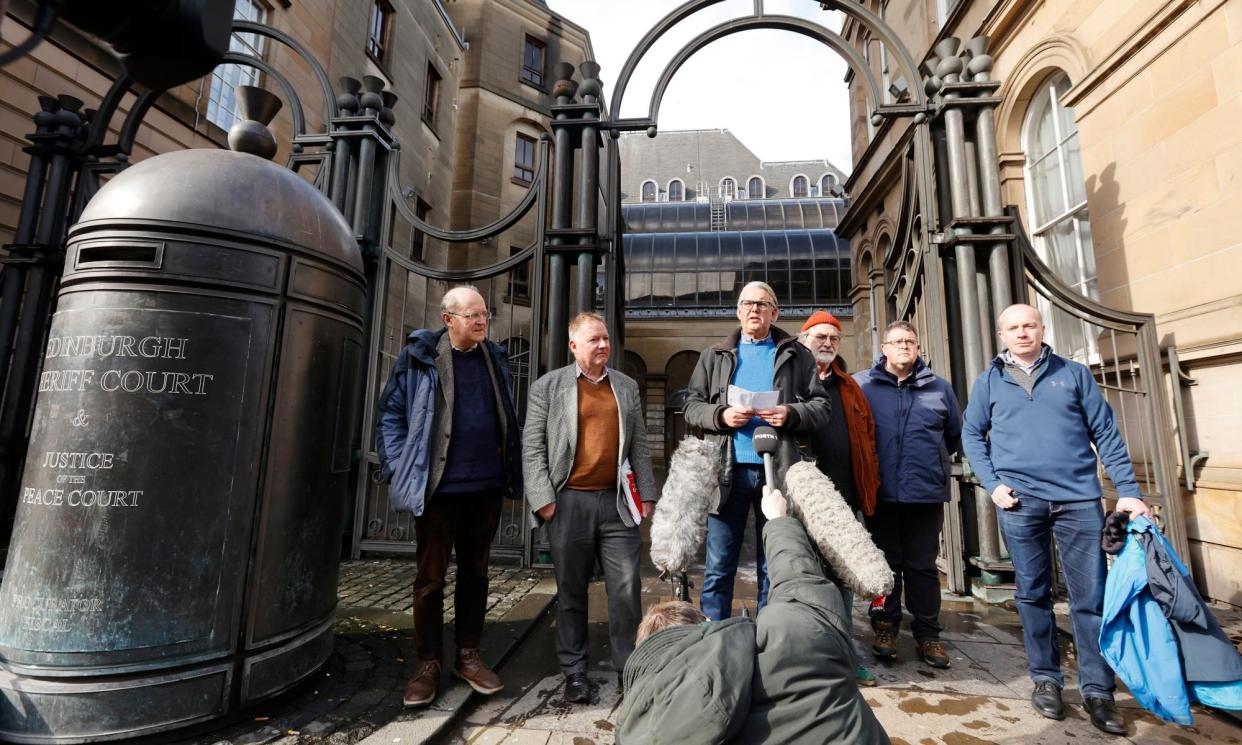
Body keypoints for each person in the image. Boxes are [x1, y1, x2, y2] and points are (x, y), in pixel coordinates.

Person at [961, 303, 1149, 736]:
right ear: (1001, 334)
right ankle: (1046, 680)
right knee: (1032, 593)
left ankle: (1098, 690)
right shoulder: (989, 380)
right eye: (1013, 327)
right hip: (1021, 503)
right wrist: (992, 483)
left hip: (1079, 501)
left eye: (1029, 325)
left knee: (1090, 599)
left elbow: (1106, 432)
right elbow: (972, 433)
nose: (1022, 333)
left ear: (1041, 328)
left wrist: (1129, 493)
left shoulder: (1074, 373)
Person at [617, 487, 891, 745]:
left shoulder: (638, 732)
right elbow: (799, 580)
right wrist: (779, 521)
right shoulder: (802, 636)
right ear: (709, 624)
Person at [376, 285, 522, 707]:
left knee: (476, 575)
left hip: (486, 486)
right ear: (448, 320)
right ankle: (428, 663)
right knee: (430, 580)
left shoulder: (494, 357)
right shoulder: (420, 358)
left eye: (484, 314)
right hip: (438, 489)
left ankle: (468, 655)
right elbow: (391, 414)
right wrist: (397, 466)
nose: (481, 321)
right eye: (472, 315)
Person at [523, 312, 657, 704]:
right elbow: (532, 448)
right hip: (569, 502)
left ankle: (628, 667)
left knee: (626, 588)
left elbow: (640, 445)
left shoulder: (626, 386)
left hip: (616, 503)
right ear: (574, 345)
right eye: (594, 339)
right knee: (571, 591)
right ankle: (575, 671)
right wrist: (545, 501)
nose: (603, 345)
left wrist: (646, 493)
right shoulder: (548, 387)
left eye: (606, 339)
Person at [683, 281, 830, 621]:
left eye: (762, 304)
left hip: (777, 474)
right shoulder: (714, 356)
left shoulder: (798, 355)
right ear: (738, 311)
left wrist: (789, 414)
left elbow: (822, 407)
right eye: (747, 303)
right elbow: (691, 406)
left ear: (774, 313)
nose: (754, 309)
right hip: (727, 473)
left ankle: (769, 635)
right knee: (719, 565)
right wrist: (720, 416)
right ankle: (714, 636)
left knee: (773, 563)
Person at [855, 321, 960, 670]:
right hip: (880, 495)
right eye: (897, 341)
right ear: (883, 347)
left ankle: (928, 634)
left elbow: (953, 436)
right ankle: (884, 629)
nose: (904, 346)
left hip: (924, 494)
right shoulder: (863, 386)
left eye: (910, 341)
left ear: (918, 348)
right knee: (883, 568)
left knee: (922, 567)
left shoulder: (940, 389)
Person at [798, 310, 882, 687]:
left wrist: (869, 488)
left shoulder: (850, 386)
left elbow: (868, 442)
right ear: (804, 341)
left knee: (843, 580)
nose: (827, 343)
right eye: (820, 337)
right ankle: (806, 658)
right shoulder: (791, 381)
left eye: (833, 338)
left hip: (845, 498)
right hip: (801, 497)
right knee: (800, 576)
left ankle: (845, 656)